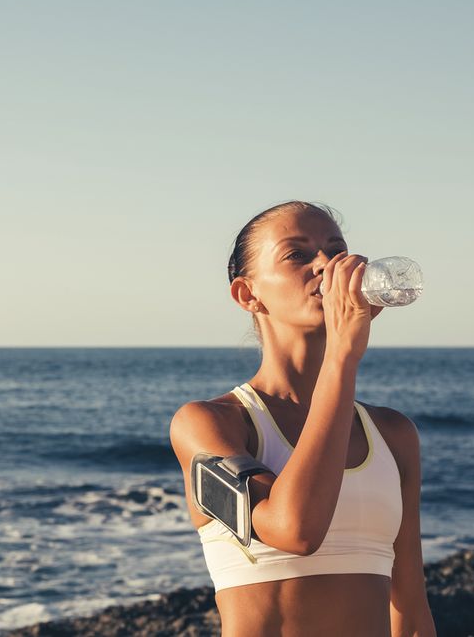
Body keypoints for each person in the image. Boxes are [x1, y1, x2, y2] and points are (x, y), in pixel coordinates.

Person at [169, 200, 437, 636]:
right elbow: (295, 529)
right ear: (248, 294)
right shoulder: (210, 424)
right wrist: (342, 356)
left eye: (336, 250)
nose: (327, 266)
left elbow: (409, 608)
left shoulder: (392, 434)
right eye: (297, 254)